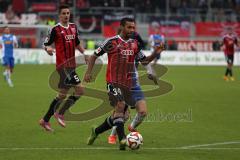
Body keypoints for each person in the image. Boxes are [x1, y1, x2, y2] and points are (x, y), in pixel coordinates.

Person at [84, 17, 164, 150]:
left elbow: (144, 61)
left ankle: (96, 131)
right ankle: (122, 139)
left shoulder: (134, 44)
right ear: (122, 27)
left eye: (133, 27)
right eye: (129, 27)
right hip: (113, 82)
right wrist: (88, 73)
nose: (132, 30)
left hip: (129, 84)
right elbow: (93, 56)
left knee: (122, 116)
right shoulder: (112, 42)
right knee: (120, 106)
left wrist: (155, 53)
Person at [39, 4, 87, 132]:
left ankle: (45, 120)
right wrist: (48, 49)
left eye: (68, 13)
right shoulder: (55, 29)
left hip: (71, 66)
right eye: (64, 13)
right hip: (63, 66)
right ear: (59, 15)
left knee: (62, 95)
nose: (66, 15)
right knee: (80, 90)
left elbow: (77, 43)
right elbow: (46, 44)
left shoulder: (73, 27)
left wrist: (85, 54)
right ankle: (60, 113)